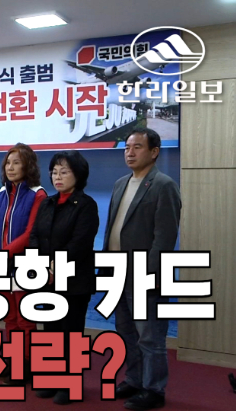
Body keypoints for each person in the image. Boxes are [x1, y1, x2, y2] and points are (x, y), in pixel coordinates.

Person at [103, 128, 181, 410]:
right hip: (118, 271)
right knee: (126, 331)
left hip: (144, 275)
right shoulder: (120, 183)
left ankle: (154, 389)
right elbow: (112, 228)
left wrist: (147, 275)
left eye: (137, 147)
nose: (130, 152)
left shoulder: (163, 185)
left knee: (150, 336)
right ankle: (134, 380)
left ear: (154, 152)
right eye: (127, 147)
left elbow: (164, 238)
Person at [30, 150, 99, 405]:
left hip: (74, 280)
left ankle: (71, 384)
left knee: (71, 333)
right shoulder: (47, 203)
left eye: (64, 172)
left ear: (78, 175)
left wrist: (54, 267)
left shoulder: (86, 205)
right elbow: (35, 236)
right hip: (47, 279)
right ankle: (51, 378)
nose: (57, 177)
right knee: (50, 331)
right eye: (54, 172)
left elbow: (80, 243)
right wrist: (41, 266)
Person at [0, 143, 46, 384]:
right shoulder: (2, 194)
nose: (10, 168)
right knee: (10, 317)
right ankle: (13, 360)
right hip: (2, 264)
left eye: (16, 163)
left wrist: (5, 254)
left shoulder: (38, 194)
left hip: (25, 265)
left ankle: (27, 364)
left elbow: (31, 232)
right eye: (8, 163)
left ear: (28, 166)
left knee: (25, 319)